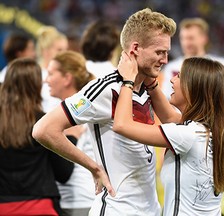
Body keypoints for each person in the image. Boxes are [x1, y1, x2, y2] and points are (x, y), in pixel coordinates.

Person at [32, 8, 176, 216]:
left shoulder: (147, 87)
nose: (164, 59)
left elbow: (174, 122)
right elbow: (43, 129)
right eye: (159, 52)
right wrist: (93, 167)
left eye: (166, 53)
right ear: (135, 48)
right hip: (116, 209)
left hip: (149, 209)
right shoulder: (106, 89)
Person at [113, 53, 224, 215]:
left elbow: (122, 125)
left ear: (193, 89)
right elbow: (170, 117)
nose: (172, 80)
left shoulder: (188, 135)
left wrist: (127, 80)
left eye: (179, 76)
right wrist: (149, 78)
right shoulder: (208, 130)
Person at [0, 58, 74, 215]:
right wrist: (71, 137)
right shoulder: (43, 123)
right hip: (40, 207)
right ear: (35, 87)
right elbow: (64, 173)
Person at [46, 50, 96, 216]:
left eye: (51, 74)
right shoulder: (61, 111)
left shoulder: (83, 108)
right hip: (64, 200)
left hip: (81, 201)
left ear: (67, 78)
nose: (46, 80)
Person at [161, 17, 224, 99]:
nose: (186, 43)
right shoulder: (172, 67)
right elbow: (166, 97)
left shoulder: (220, 65)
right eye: (183, 38)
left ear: (204, 38)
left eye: (190, 38)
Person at [36, 26, 69, 112]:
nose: (65, 54)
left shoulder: (67, 75)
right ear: (45, 51)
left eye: (66, 50)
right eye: (59, 50)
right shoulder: (35, 76)